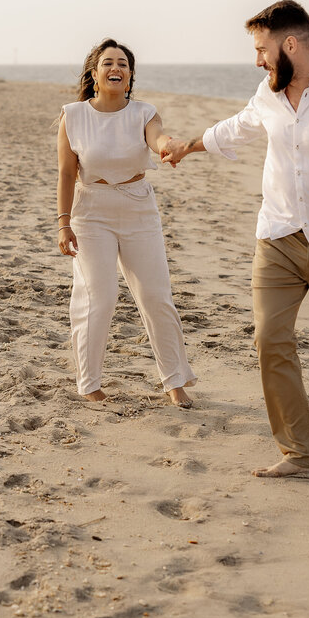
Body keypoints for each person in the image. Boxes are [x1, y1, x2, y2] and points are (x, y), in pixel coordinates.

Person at [162, 0, 309, 477]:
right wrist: (187, 147)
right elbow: (236, 128)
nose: (258, 60)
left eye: (262, 49)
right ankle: (299, 452)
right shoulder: (268, 95)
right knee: (271, 340)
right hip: (276, 239)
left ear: (290, 45)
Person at [57, 38, 197, 407]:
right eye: (108, 63)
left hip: (138, 208)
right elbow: (65, 174)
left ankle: (175, 381)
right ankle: (89, 384)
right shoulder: (73, 115)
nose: (115, 68)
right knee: (98, 297)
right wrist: (63, 223)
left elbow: (157, 138)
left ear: (130, 75)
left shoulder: (144, 113)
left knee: (155, 295)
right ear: (95, 73)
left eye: (122, 63)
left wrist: (170, 144)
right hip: (90, 212)